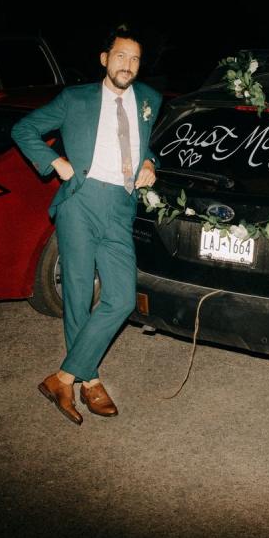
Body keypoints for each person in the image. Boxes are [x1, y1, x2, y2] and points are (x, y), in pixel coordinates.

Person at [12, 25, 161, 425]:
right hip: (80, 201)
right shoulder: (74, 99)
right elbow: (23, 129)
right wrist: (54, 163)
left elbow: (148, 146)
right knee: (77, 294)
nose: (127, 65)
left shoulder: (149, 99)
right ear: (104, 59)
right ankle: (90, 381)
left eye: (134, 59)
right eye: (120, 56)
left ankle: (63, 377)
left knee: (122, 298)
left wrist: (150, 163)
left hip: (120, 206)